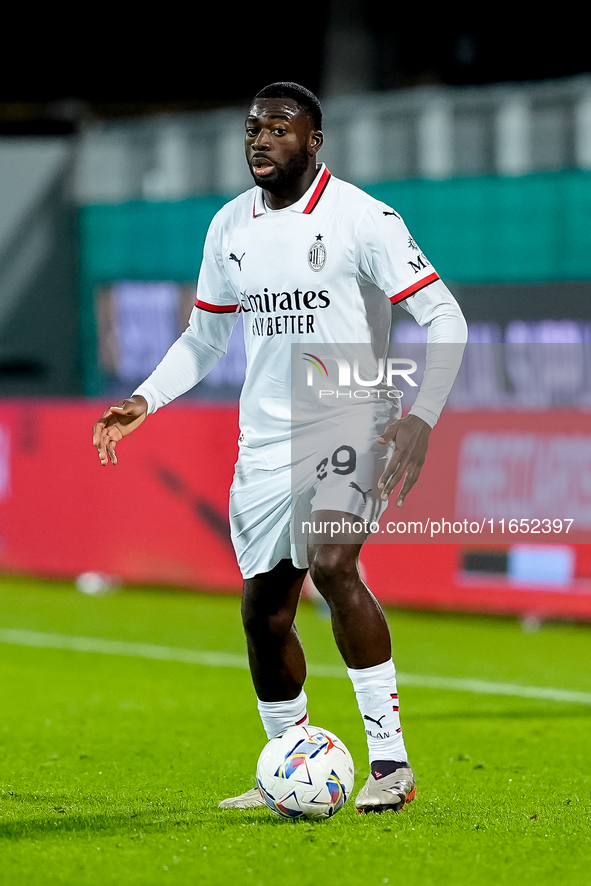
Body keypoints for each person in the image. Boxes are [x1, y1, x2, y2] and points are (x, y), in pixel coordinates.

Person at [93, 82, 467, 813]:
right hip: (265, 434)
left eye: (279, 129)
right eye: (252, 129)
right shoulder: (230, 226)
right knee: (264, 612)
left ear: (313, 141)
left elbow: (443, 315)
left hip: (351, 411)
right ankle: (286, 766)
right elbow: (204, 336)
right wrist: (145, 398)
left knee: (333, 564)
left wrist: (421, 415)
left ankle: (389, 763)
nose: (261, 140)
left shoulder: (363, 218)